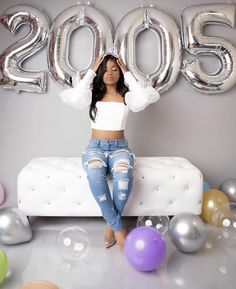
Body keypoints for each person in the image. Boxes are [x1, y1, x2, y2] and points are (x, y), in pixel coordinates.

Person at [60, 53, 160, 249]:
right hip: (95, 148)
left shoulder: (127, 96)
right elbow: (74, 96)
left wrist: (128, 73)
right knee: (95, 174)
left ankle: (110, 227)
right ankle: (117, 228)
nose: (110, 73)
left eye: (115, 69)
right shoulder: (91, 95)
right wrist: (90, 72)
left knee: (124, 177)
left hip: (120, 148)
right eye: (105, 69)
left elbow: (143, 97)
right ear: (99, 72)